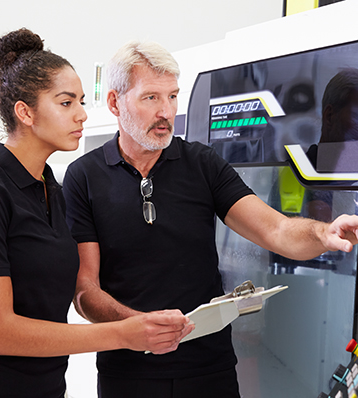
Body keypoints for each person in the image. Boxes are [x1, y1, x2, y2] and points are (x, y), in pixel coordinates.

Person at [63, 41, 358, 398]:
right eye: (151, 98)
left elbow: (276, 229)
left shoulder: (202, 164)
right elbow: (85, 291)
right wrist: (136, 326)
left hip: (208, 370)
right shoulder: (84, 177)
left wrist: (324, 232)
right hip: (129, 370)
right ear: (114, 103)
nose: (166, 111)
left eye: (172, 96)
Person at [0, 29, 193, 398]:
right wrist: (121, 334)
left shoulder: (51, 189)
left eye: (81, 101)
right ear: (25, 112)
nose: (82, 114)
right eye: (66, 103)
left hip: (47, 386)